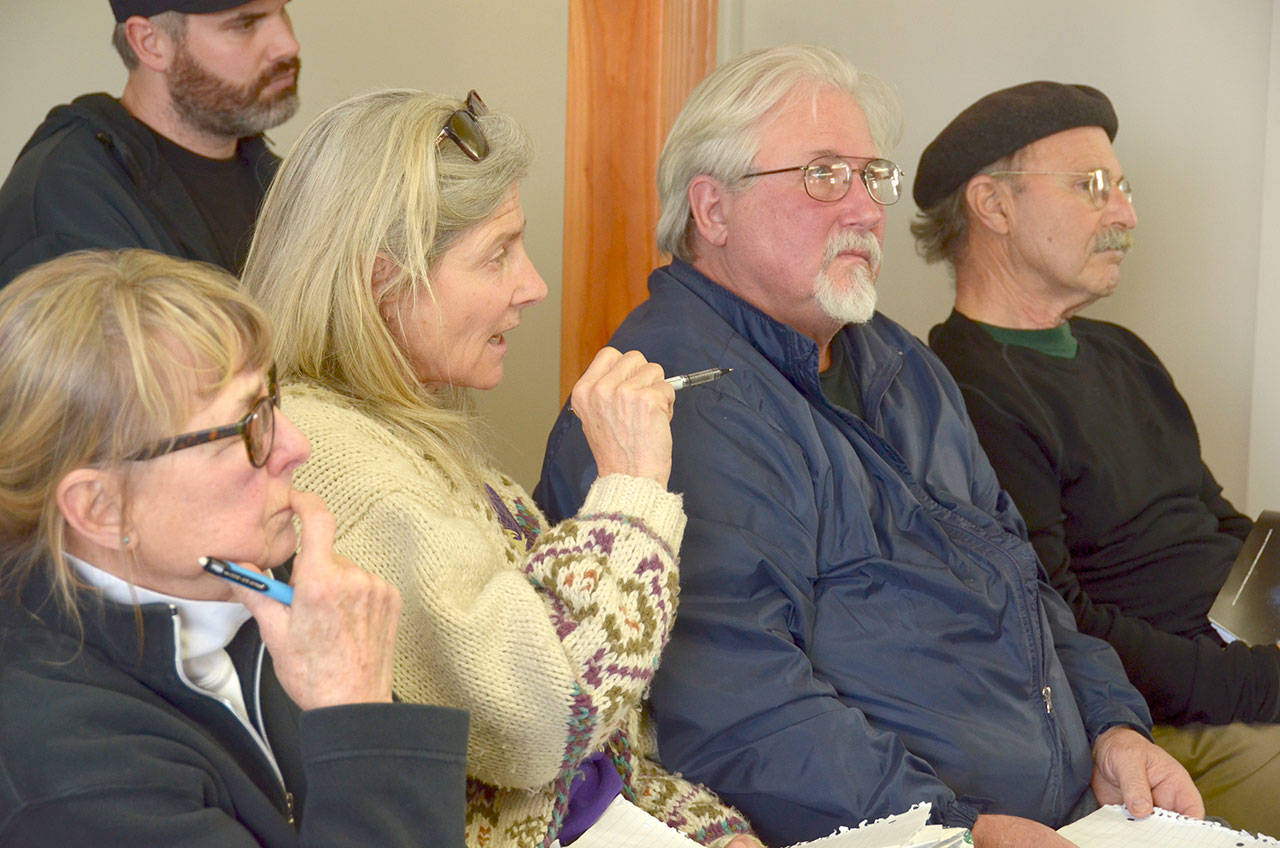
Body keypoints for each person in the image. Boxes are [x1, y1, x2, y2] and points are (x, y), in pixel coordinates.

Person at [536, 44, 1203, 848]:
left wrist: (1114, 729)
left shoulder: (900, 363)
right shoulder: (681, 400)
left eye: (871, 177)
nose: (863, 209)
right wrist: (965, 830)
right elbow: (740, 714)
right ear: (712, 211)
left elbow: (1025, 584)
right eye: (823, 176)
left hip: (1070, 818)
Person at [241, 89, 759, 848]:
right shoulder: (334, 463)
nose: (533, 286)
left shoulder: (399, 427)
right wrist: (633, 487)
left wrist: (708, 831)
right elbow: (542, 720)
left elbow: (601, 756)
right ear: (382, 283)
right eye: (498, 253)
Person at [0, 249, 467, 846]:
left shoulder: (253, 579)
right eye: (247, 427)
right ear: (101, 508)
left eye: (270, 403)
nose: (294, 446)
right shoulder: (62, 771)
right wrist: (359, 712)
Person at [915, 81, 1280, 836]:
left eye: (1123, 187)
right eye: (1092, 188)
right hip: (1162, 725)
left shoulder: (1122, 352)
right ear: (994, 206)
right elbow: (1057, 621)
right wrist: (1258, 683)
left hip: (1246, 671)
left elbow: (1217, 525)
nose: (1126, 213)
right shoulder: (961, 391)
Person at [0, 0, 301, 285]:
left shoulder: (273, 177)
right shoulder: (66, 207)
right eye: (245, 24)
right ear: (149, 43)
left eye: (283, 12)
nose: (288, 45)